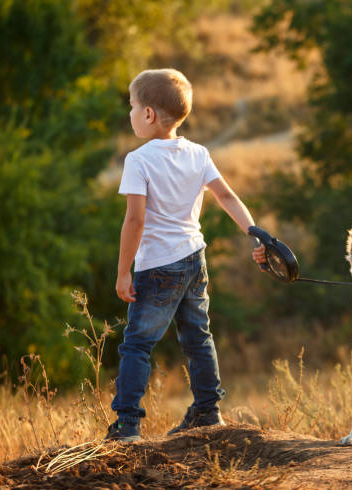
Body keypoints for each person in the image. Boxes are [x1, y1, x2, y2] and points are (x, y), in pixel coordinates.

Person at [106, 68, 266, 442]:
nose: (129, 114)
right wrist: (255, 234)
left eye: (132, 106)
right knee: (198, 336)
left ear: (148, 114)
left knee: (137, 344)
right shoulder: (198, 153)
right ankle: (208, 412)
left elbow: (135, 220)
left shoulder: (139, 160)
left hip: (157, 267)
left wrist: (122, 272)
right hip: (195, 259)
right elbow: (226, 196)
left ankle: (127, 424)